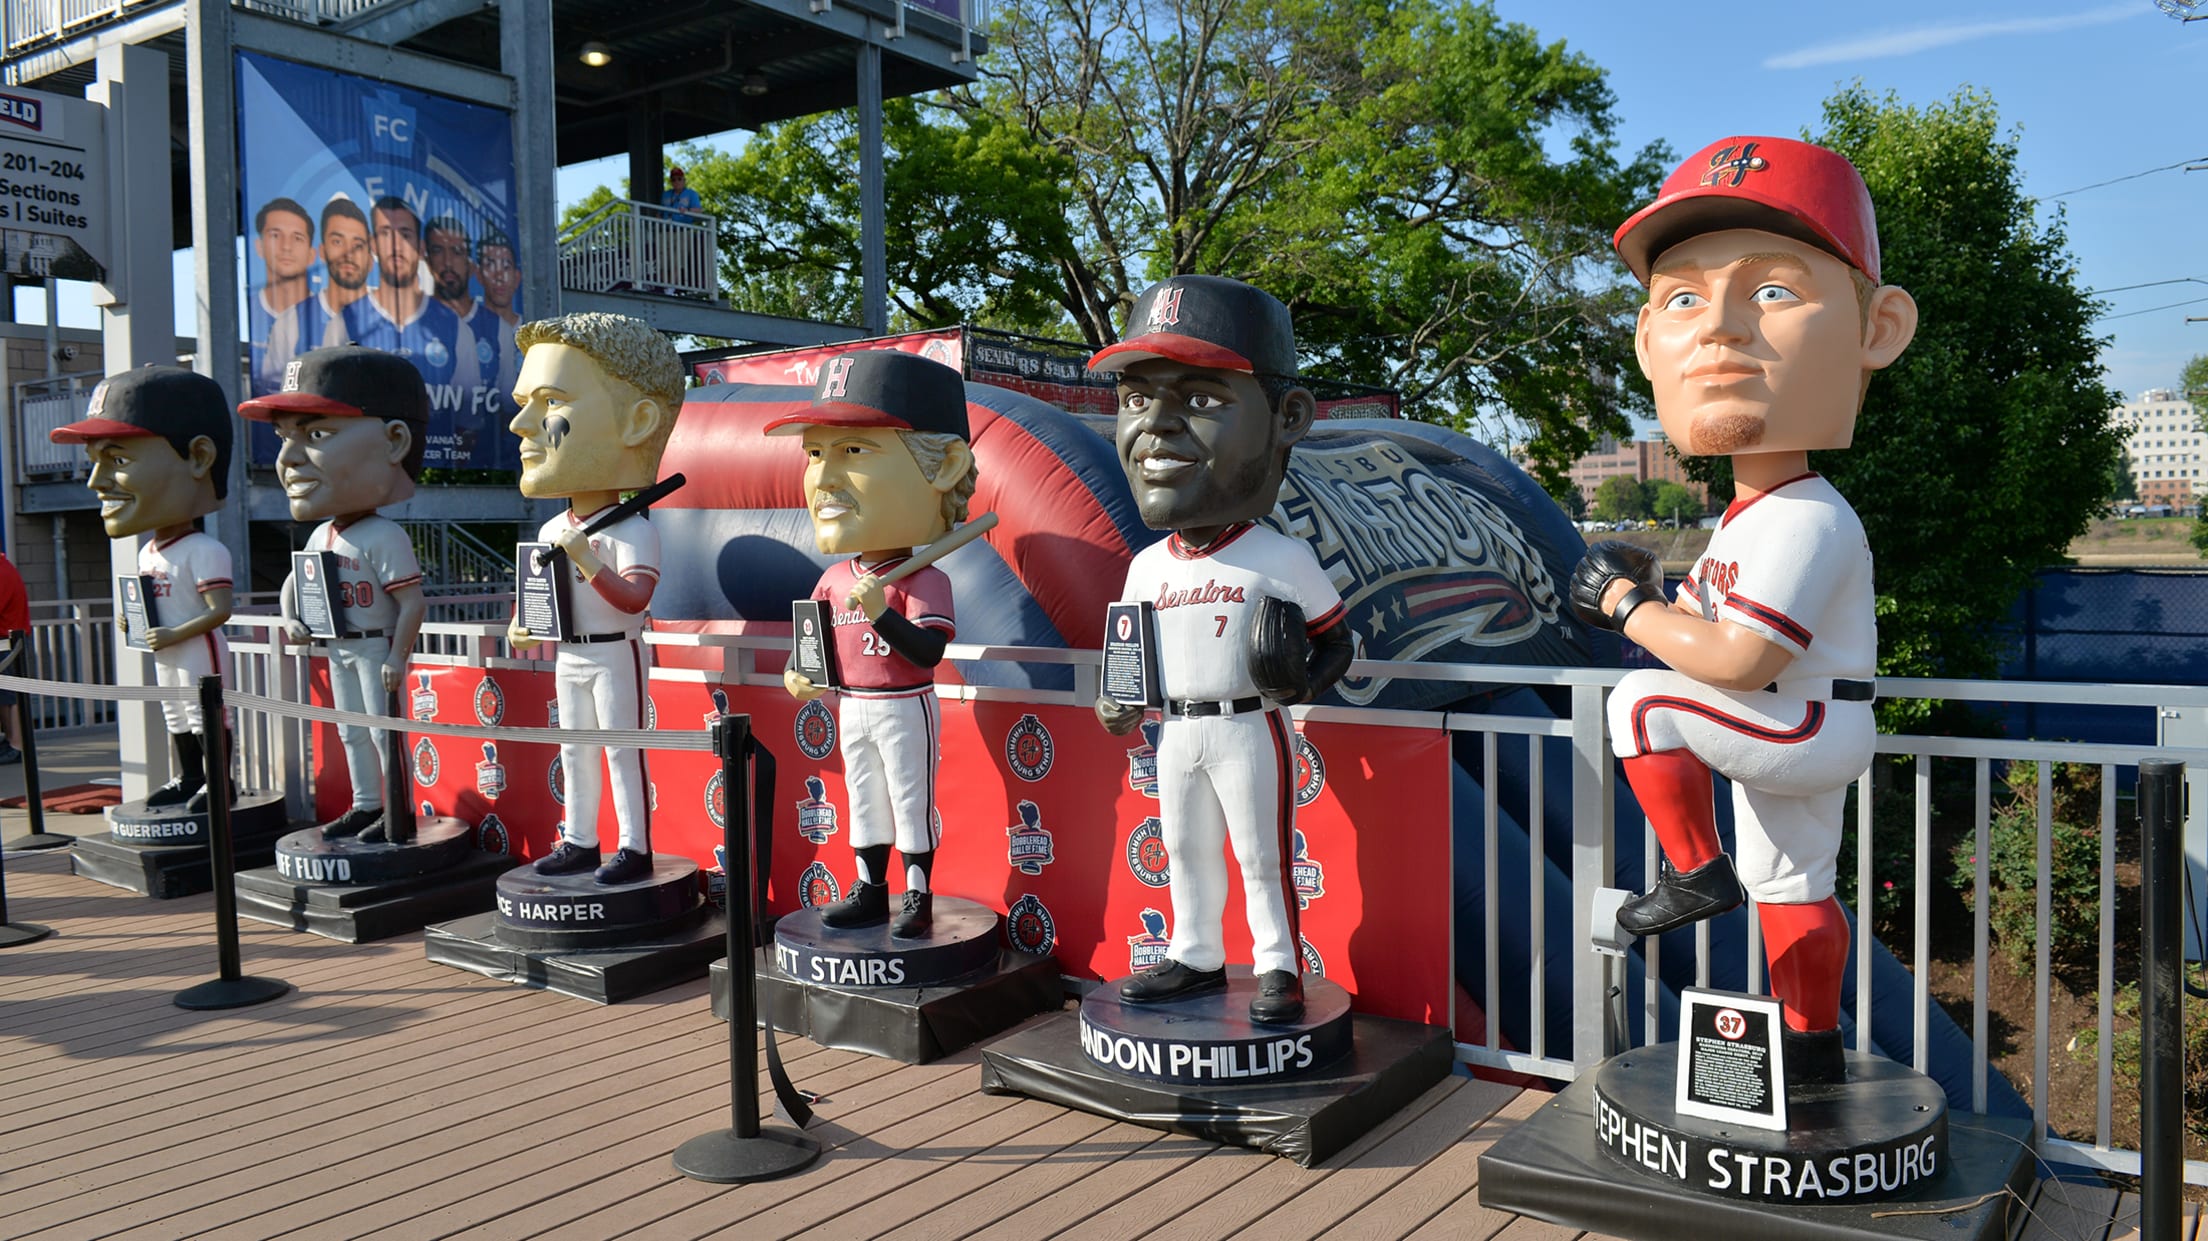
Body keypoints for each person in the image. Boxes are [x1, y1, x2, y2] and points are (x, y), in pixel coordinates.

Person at [1575, 136, 1919, 1088]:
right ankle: (1808, 1045)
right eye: (1683, 298)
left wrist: (1623, 603)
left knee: (1640, 706)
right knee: (1795, 885)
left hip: (1802, 715)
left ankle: (1693, 870)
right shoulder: (1747, 516)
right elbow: (1710, 615)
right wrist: (1665, 594)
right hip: (1806, 716)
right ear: (1650, 343)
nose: (1720, 329)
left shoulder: (1807, 511)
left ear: (1876, 328)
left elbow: (1735, 661)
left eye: (1772, 291)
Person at [1090, 275, 1355, 1026]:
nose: (1156, 424)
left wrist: (1305, 681)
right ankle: (1194, 953)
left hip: (1247, 723)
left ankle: (1278, 966)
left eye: (1200, 399)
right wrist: (1116, 701)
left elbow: (1338, 640)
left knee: (1261, 855)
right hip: (1173, 729)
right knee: (1184, 848)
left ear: (1287, 417)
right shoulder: (1146, 565)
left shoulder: (1274, 555)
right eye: (1137, 398)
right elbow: (1126, 661)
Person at [773, 350, 976, 940]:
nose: (824, 475)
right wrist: (797, 671)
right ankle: (869, 887)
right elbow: (810, 643)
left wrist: (883, 613)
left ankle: (917, 895)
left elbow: (928, 653)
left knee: (910, 799)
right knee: (863, 798)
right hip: (852, 704)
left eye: (853, 451)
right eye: (815, 453)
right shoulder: (836, 578)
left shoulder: (924, 577)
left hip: (904, 702)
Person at [504, 313, 684, 885]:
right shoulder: (556, 524)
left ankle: (634, 847)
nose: (521, 424)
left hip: (615, 652)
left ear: (638, 422)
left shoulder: (634, 530)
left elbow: (635, 601)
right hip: (569, 652)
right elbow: (539, 592)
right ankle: (579, 838)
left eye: (550, 401)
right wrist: (521, 622)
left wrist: (587, 560)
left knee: (620, 749)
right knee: (576, 748)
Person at [241, 347, 430, 844]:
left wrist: (397, 655)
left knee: (383, 732)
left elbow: (412, 602)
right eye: (285, 437)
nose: (288, 458)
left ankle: (398, 810)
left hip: (374, 643)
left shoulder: (385, 535)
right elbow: (293, 584)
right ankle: (366, 806)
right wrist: (291, 619)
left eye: (317, 434)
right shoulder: (323, 533)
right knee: (350, 729)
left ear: (395, 441)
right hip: (338, 643)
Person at [50, 367, 236, 811]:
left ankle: (219, 783)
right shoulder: (150, 550)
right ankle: (189, 777)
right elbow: (154, 599)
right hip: (166, 647)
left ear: (198, 457)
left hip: (194, 647)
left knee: (203, 713)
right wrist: (133, 618)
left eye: (116, 460)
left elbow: (220, 610)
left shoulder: (204, 548)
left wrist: (174, 633)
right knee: (174, 712)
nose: (96, 481)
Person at [342, 197, 481, 391]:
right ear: (373, 244)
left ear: (421, 248)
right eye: (385, 234)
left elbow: (469, 414)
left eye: (405, 235)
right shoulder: (345, 322)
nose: (395, 247)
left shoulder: (455, 327)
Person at [249, 198, 316, 397]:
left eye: (297, 238)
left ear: (312, 254)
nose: (286, 246)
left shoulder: (333, 318)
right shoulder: (242, 314)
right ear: (259, 246)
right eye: (275, 235)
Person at [313, 196, 372, 347]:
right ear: (322, 251)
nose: (348, 253)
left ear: (370, 259)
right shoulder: (291, 323)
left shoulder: (389, 316)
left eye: (358, 245)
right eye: (337, 242)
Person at [0, 549, 28, 765]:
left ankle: (16, 744)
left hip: (7, 643)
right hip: (8, 641)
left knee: (12, 696)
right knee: (6, 696)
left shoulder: (2, 571)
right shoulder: (5, 568)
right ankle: (12, 741)